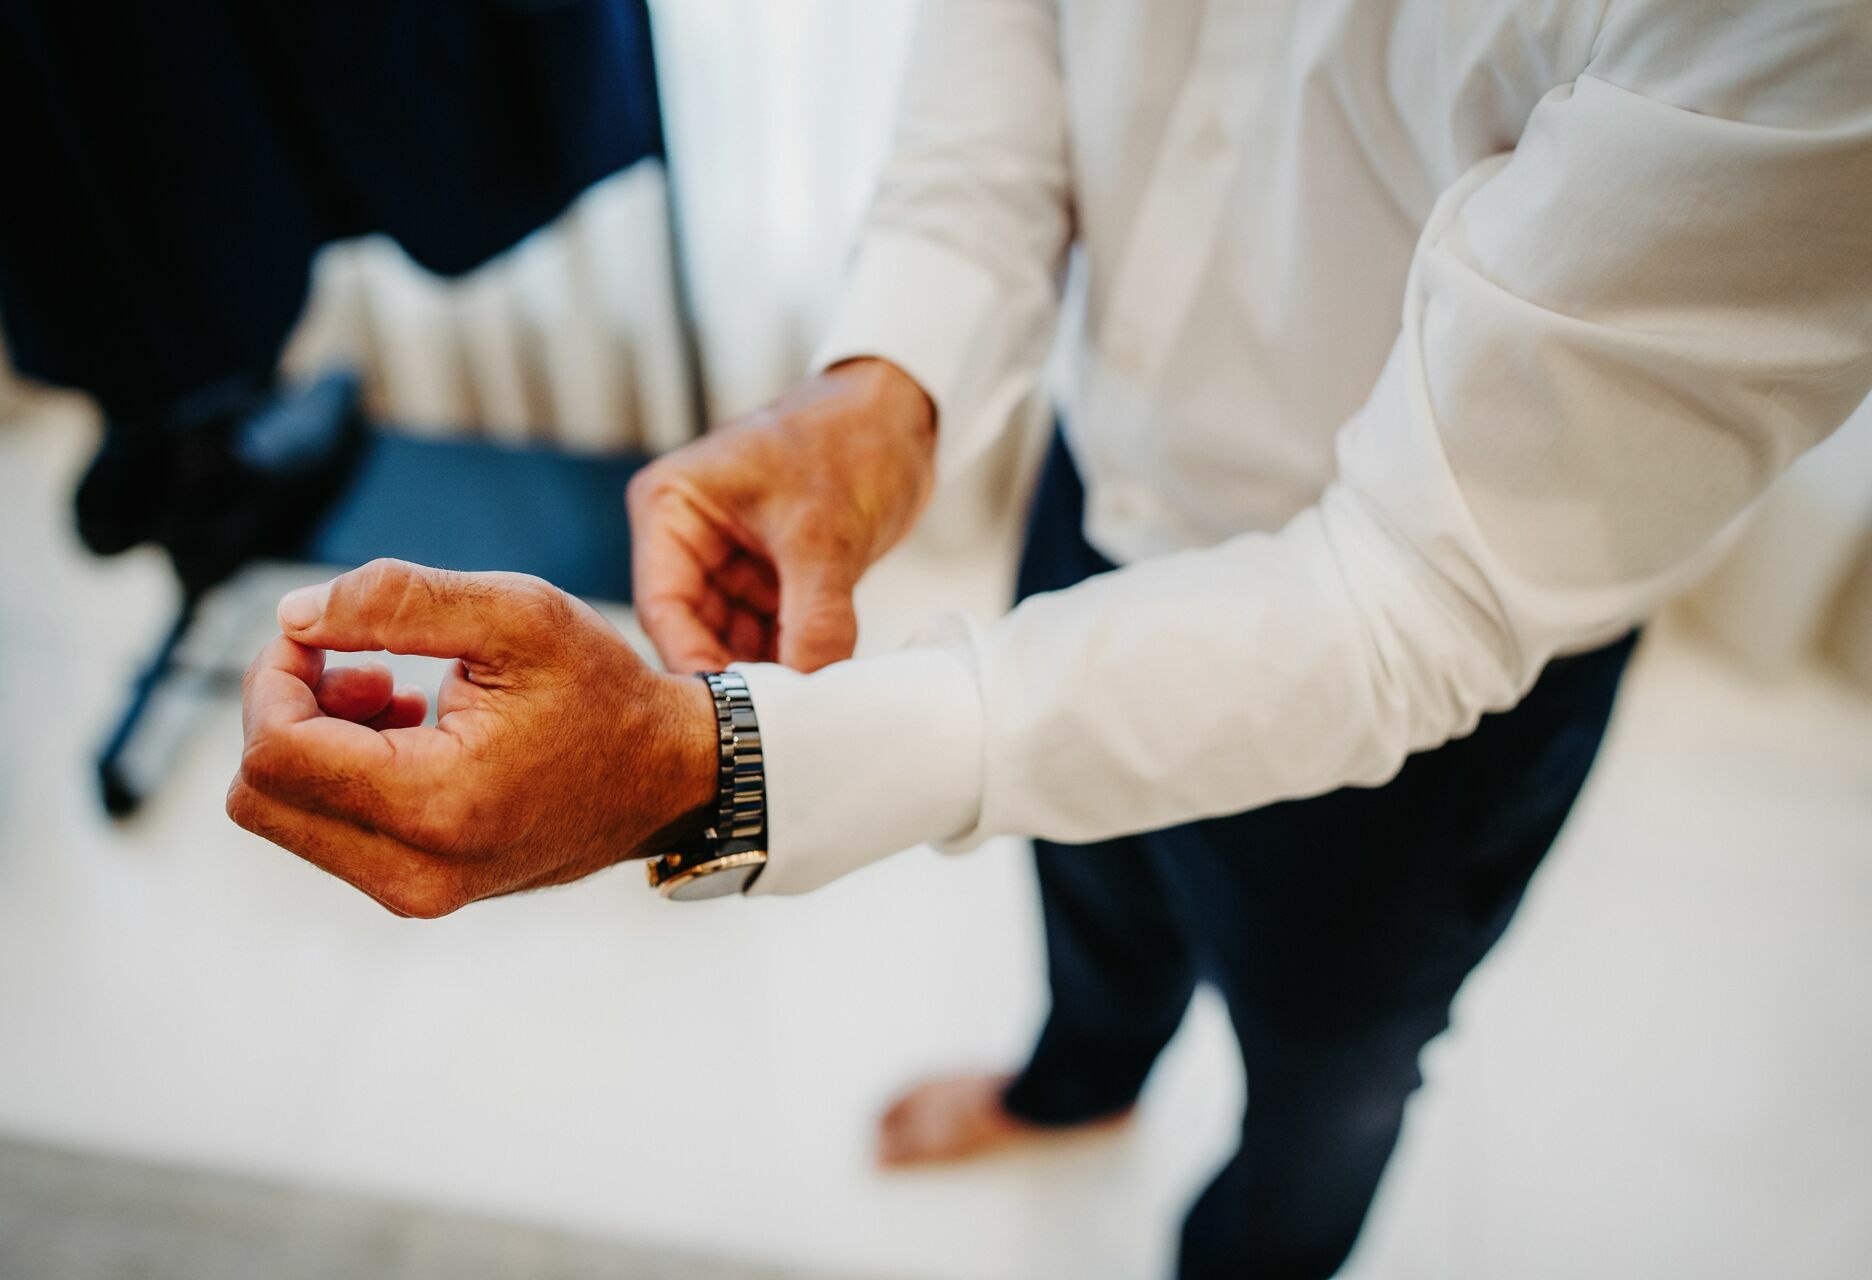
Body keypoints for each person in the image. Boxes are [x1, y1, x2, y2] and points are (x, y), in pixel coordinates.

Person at [226, 2, 1872, 1274]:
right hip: (1111, 476)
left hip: (1442, 665)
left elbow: (1418, 590)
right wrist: (890, 377)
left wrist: (703, 771)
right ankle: (1076, 1087)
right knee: (1091, 893)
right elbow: (1015, 43)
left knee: (1328, 1066)